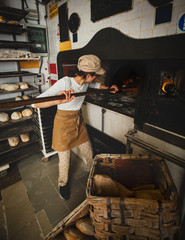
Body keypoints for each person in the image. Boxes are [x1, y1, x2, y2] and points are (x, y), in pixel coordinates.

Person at [34, 54, 119, 200]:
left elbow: (95, 85)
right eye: (95, 75)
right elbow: (37, 103)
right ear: (88, 74)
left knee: (88, 150)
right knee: (65, 159)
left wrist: (108, 88)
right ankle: (63, 184)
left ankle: (95, 175)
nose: (96, 78)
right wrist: (58, 101)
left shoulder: (86, 82)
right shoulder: (65, 83)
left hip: (78, 121)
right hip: (63, 124)